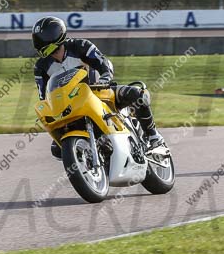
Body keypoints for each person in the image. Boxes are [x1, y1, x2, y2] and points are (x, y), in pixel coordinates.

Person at [32, 16, 164, 159]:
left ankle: (154, 138)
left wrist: (105, 77)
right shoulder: (40, 67)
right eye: (42, 49)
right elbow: (44, 96)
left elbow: (103, 63)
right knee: (57, 149)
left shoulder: (80, 46)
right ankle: (89, 161)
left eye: (47, 48)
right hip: (70, 107)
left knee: (136, 94)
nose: (47, 53)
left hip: (99, 92)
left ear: (57, 38)